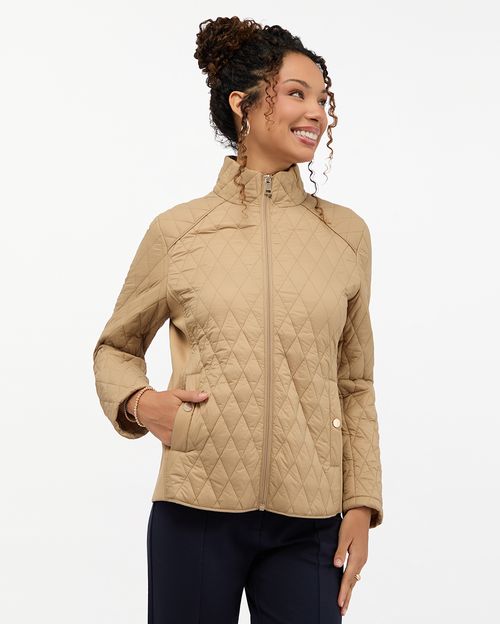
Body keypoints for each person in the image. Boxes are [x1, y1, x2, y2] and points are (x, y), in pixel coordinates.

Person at [92, 16, 384, 623]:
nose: (317, 113)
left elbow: (355, 383)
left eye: (323, 99)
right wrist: (142, 404)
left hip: (310, 520)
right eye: (297, 94)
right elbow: (115, 347)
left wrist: (361, 502)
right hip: (195, 507)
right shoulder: (179, 231)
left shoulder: (345, 236)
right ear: (242, 104)